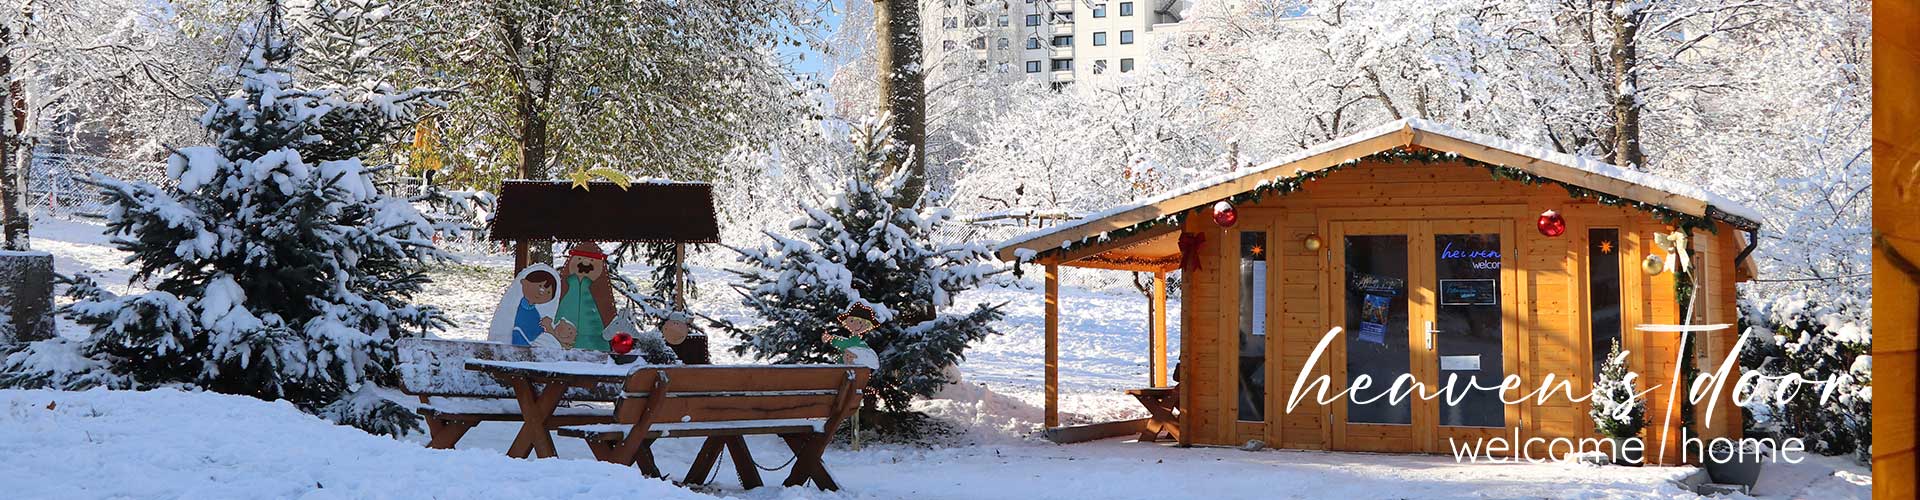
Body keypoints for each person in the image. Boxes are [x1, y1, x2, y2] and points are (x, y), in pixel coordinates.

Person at [488, 264, 568, 348]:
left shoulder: (534, 312)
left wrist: (546, 327)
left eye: (548, 292)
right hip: (520, 342)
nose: (541, 292)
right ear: (524, 283)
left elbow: (536, 329)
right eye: (540, 286)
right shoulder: (517, 308)